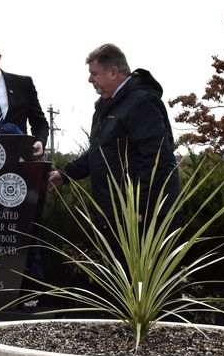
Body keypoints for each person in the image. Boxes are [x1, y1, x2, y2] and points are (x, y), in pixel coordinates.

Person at [47, 43, 180, 259]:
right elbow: (100, 153)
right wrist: (65, 175)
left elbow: (157, 159)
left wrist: (141, 207)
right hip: (116, 214)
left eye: (94, 73)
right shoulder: (105, 106)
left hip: (142, 216)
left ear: (113, 72)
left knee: (144, 284)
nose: (90, 80)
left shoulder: (141, 102)